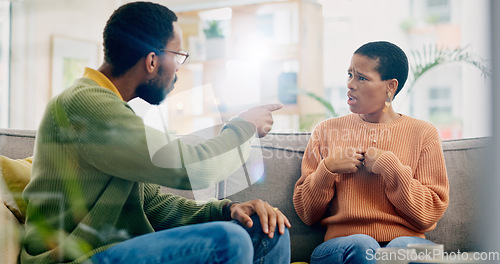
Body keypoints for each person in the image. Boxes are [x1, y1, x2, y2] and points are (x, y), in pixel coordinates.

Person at [21, 2, 291, 264]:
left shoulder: (111, 109)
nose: (177, 68)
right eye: (178, 55)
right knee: (229, 240)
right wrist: (244, 127)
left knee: (266, 229)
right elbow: (190, 168)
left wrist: (225, 209)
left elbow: (149, 203)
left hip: (114, 249)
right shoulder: (85, 104)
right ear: (152, 60)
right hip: (76, 257)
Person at [293, 41, 449, 264]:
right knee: (363, 245)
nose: (350, 85)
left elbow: (428, 215)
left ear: (390, 86)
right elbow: (307, 214)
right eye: (349, 75)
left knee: (404, 248)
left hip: (405, 240)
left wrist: (390, 168)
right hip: (343, 245)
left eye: (362, 78)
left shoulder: (423, 133)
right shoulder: (325, 131)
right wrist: (326, 170)